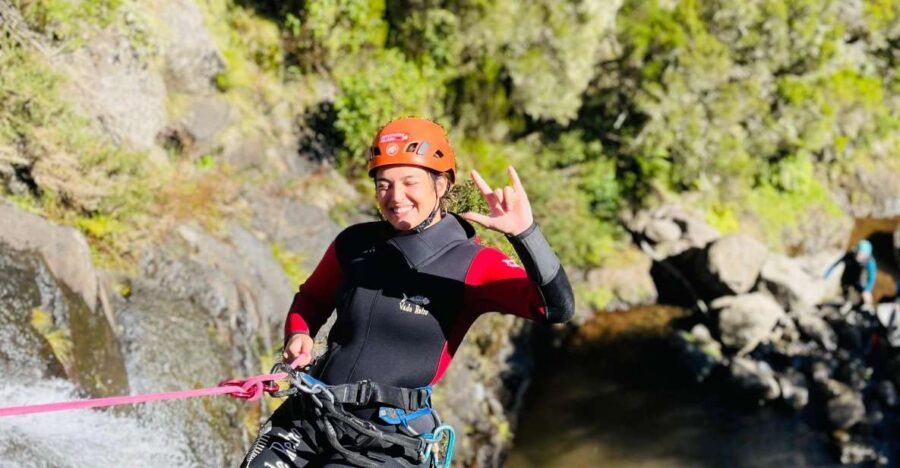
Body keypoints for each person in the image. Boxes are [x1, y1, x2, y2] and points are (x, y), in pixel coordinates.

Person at [241, 117, 574, 467]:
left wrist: (526, 235)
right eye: (384, 185)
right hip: (311, 417)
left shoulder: (473, 264)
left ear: (442, 184)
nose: (396, 197)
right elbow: (312, 299)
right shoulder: (355, 244)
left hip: (385, 442)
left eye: (410, 182)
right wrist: (299, 334)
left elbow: (555, 308)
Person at [825, 239, 877, 308]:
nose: (860, 256)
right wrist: (827, 275)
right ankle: (844, 303)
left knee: (862, 300)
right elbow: (836, 264)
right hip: (846, 279)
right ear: (856, 250)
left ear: (867, 255)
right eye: (859, 253)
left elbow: (872, 277)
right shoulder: (849, 255)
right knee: (846, 294)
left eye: (863, 254)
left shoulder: (870, 262)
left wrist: (867, 290)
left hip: (859, 282)